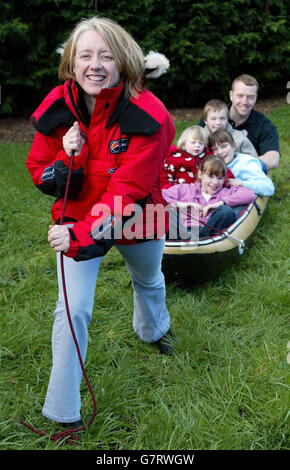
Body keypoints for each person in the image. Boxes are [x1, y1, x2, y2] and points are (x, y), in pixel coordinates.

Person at [26, 16, 176, 429]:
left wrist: (77, 234)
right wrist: (64, 157)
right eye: (85, 55)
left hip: (137, 211)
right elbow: (40, 171)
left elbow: (126, 192)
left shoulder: (149, 113)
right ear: (71, 63)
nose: (95, 64)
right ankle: (63, 414)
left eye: (106, 56)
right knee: (72, 309)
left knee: (148, 279)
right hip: (78, 213)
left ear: (124, 61)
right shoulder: (57, 105)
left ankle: (153, 330)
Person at [162, 155, 256, 240]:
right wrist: (181, 205)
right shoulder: (185, 189)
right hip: (182, 230)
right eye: (210, 176)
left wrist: (220, 204)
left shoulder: (226, 192)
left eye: (220, 178)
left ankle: (201, 239)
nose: (215, 182)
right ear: (200, 174)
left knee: (226, 211)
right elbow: (162, 195)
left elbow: (250, 195)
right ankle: (181, 239)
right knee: (165, 210)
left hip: (209, 231)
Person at [229, 74, 280, 170]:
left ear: (256, 98)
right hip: (214, 177)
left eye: (250, 97)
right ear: (231, 95)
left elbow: (273, 160)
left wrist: (239, 166)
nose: (245, 102)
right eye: (240, 96)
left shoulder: (264, 125)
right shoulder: (214, 116)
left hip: (250, 177)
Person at [208, 130, 275, 197]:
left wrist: (243, 184)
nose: (220, 152)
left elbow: (269, 188)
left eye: (224, 146)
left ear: (234, 146)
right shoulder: (214, 165)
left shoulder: (246, 164)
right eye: (214, 149)